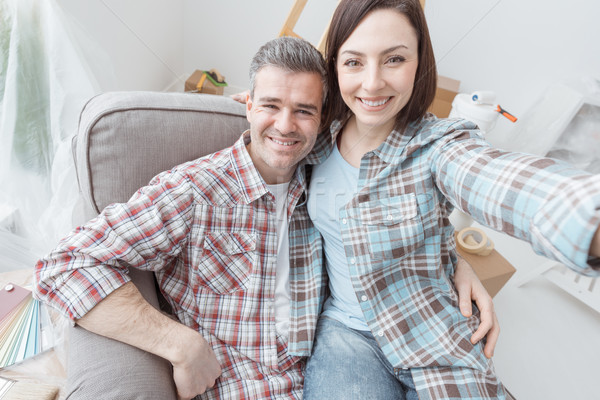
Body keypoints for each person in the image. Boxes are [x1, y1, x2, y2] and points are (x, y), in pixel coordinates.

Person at [33, 36, 497, 400]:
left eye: (304, 111)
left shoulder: (320, 173)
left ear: (322, 118)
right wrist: (180, 345)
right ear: (247, 104)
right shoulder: (194, 190)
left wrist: (456, 258)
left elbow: (398, 200)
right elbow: (63, 265)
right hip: (241, 385)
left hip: (331, 373)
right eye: (271, 105)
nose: (286, 125)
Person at [300, 1, 600, 399]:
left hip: (432, 326)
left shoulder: (441, 145)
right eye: (354, 62)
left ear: (420, 60)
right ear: (335, 65)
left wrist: (586, 219)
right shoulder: (315, 136)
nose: (372, 83)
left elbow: (497, 180)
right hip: (346, 334)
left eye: (393, 59)